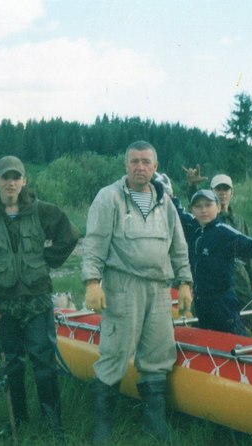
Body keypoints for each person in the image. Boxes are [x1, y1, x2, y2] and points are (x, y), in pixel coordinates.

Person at [81, 141, 193, 444]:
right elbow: (94, 243)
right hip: (122, 286)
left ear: (155, 167)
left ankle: (154, 424)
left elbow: (179, 246)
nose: (140, 167)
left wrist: (185, 282)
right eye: (134, 162)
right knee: (115, 352)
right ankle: (103, 428)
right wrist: (92, 282)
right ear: (125, 165)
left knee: (158, 354)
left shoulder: (165, 201)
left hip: (159, 289)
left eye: (146, 162)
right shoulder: (109, 198)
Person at [0, 155, 81, 434]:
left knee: (44, 362)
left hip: (38, 298)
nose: (11, 183)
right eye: (5, 177)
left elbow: (70, 235)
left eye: (16, 177)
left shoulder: (42, 210)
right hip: (3, 302)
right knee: (13, 365)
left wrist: (46, 259)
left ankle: (53, 423)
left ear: (24, 181)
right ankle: (18, 422)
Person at [183, 166, 252, 340]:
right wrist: (192, 187)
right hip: (211, 283)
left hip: (239, 278)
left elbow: (247, 250)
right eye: (218, 189)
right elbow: (197, 207)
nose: (222, 193)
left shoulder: (238, 221)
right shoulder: (206, 220)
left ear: (231, 193)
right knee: (203, 322)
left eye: (225, 189)